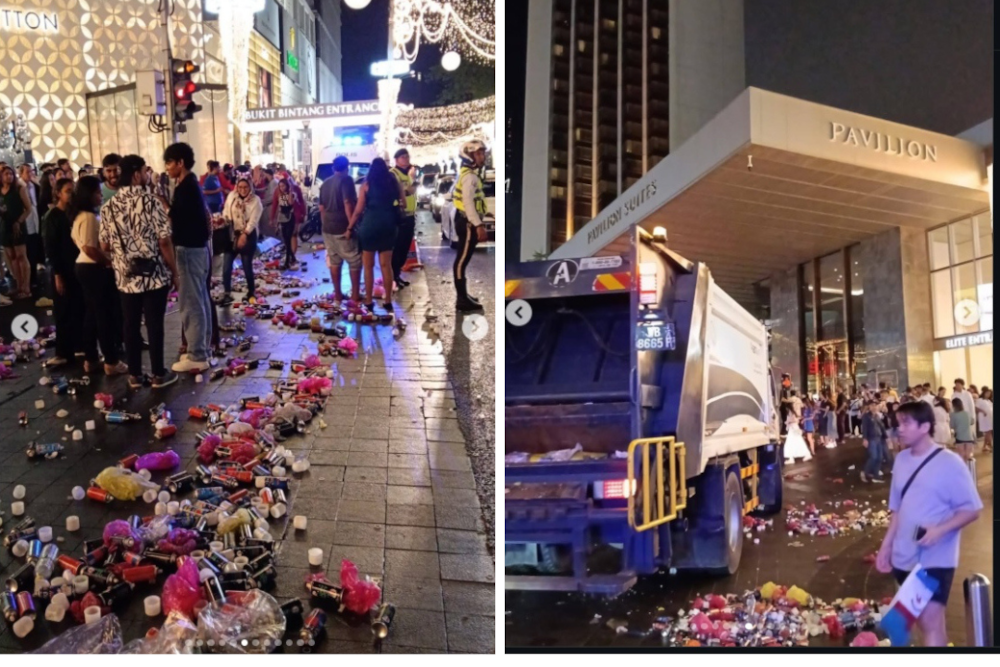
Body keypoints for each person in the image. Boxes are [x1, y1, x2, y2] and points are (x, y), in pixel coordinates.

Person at [875, 400, 983, 647]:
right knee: (919, 624)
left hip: (934, 559)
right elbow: (897, 509)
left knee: (930, 622)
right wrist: (886, 547)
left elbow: (972, 509)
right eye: (898, 423)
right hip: (904, 556)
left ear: (925, 427)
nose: (899, 429)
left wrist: (940, 530)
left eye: (906, 423)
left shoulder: (950, 463)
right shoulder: (901, 460)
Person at [99, 155, 178, 389]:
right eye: (145, 171)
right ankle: (158, 375)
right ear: (136, 175)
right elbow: (165, 241)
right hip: (154, 275)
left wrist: (122, 254)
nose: (147, 175)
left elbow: (104, 246)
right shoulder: (152, 202)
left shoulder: (108, 207)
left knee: (130, 324)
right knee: (154, 325)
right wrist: (175, 272)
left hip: (125, 276)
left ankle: (134, 375)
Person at [163, 143, 213, 373]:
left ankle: (197, 354)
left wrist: (164, 205)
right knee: (199, 299)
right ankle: (201, 349)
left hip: (189, 250)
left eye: (169, 163)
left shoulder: (187, 188)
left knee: (192, 303)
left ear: (180, 162)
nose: (167, 168)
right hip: (197, 249)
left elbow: (176, 219)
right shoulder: (190, 185)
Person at [71, 176, 126, 376]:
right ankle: (110, 361)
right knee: (103, 316)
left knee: (93, 315)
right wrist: (108, 262)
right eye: (97, 192)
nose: (100, 195)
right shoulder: (87, 217)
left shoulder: (81, 216)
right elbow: (89, 247)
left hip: (86, 267)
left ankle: (92, 358)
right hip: (93, 268)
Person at [40, 177, 89, 368]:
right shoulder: (53, 216)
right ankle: (63, 351)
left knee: (79, 307)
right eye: (68, 191)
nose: (71, 194)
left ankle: (80, 346)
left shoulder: (74, 214)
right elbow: (51, 248)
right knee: (63, 311)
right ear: (58, 193)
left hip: (77, 267)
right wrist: (58, 274)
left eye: (73, 190)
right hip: (63, 270)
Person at [351, 157, 404, 313]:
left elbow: (359, 210)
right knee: (386, 266)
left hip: (370, 226)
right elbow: (404, 204)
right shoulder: (394, 183)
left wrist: (349, 227)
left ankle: (368, 301)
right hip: (388, 225)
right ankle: (387, 301)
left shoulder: (366, 185)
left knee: (368, 267)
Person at [318, 156, 362, 306]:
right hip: (342, 226)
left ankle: (337, 295)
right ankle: (355, 296)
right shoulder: (346, 180)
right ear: (347, 167)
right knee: (354, 261)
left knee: (335, 261)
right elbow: (347, 202)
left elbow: (321, 208)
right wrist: (350, 226)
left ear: (333, 167)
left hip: (328, 228)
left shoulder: (325, 183)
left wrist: (325, 224)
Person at [452, 140, 488, 312]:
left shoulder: (470, 174)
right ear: (469, 156)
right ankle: (461, 300)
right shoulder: (470, 176)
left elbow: (474, 200)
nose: (483, 156)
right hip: (467, 223)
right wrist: (478, 225)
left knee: (462, 261)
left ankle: (464, 295)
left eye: (483, 153)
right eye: (479, 153)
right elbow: (467, 202)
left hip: (466, 221)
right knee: (461, 261)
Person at [221, 177, 263, 303]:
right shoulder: (232, 197)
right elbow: (226, 211)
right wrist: (223, 221)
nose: (243, 190)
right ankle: (227, 292)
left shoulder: (255, 201)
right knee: (226, 266)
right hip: (231, 235)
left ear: (250, 187)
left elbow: (253, 220)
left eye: (245, 187)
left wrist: (245, 234)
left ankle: (251, 292)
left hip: (248, 235)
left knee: (246, 265)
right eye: (240, 187)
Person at [0, 164, 34, 299]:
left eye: (11, 174)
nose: (9, 176)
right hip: (5, 226)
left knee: (21, 256)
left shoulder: (19, 189)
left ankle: (26, 287)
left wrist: (19, 222)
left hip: (18, 226)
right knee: (11, 257)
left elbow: (29, 209)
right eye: (6, 174)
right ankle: (18, 285)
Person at [389, 148, 417, 290]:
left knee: (404, 248)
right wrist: (407, 191)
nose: (406, 159)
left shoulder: (409, 174)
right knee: (397, 248)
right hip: (399, 215)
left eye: (407, 156)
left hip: (410, 215)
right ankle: (393, 278)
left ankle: (397, 275)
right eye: (403, 157)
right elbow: (393, 192)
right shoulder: (393, 174)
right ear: (397, 159)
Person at [17, 164, 43, 293]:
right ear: (21, 173)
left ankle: (33, 279)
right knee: (26, 254)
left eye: (31, 171)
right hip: (25, 224)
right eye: (27, 172)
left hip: (34, 222)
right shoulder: (18, 187)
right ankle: (26, 282)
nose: (30, 174)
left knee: (33, 252)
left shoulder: (33, 186)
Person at [272, 178, 301, 270]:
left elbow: (290, 202)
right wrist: (275, 220)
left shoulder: (292, 194)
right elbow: (277, 207)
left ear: (287, 186)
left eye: (283, 186)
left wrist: (289, 192)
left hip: (290, 218)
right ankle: (292, 258)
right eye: (280, 186)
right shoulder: (278, 194)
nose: (281, 188)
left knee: (288, 239)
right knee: (286, 240)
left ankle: (287, 261)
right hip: (282, 217)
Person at [860, 401, 889, 483]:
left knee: (879, 457)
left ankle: (875, 474)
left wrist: (886, 437)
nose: (874, 407)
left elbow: (882, 427)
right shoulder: (866, 416)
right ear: (869, 407)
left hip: (879, 438)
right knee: (874, 456)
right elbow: (864, 428)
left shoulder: (876, 416)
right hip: (871, 438)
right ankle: (865, 472)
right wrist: (865, 439)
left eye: (875, 406)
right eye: (872, 405)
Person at [783, 390, 811, 464]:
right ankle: (793, 457)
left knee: (795, 441)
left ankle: (803, 455)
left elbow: (784, 400)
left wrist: (782, 397)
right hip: (794, 425)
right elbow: (802, 406)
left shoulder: (791, 405)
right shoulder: (798, 401)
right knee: (794, 441)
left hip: (793, 426)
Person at [255, 168, 278, 238]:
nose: (262, 176)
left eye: (264, 174)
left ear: (268, 174)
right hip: (269, 206)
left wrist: (262, 202)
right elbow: (265, 189)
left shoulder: (273, 182)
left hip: (271, 207)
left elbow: (272, 197)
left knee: (269, 226)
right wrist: (255, 190)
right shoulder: (272, 182)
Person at [974, 390, 992, 454]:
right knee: (988, 432)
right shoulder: (980, 400)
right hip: (984, 418)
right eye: (987, 393)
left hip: (989, 418)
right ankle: (990, 446)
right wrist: (983, 411)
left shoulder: (989, 401)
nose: (988, 395)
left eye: (989, 394)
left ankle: (984, 446)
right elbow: (976, 408)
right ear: (984, 393)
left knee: (988, 432)